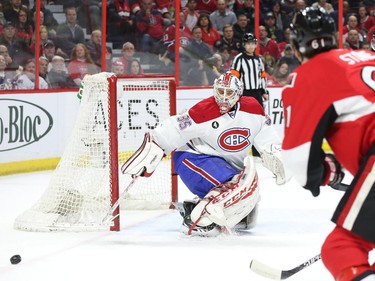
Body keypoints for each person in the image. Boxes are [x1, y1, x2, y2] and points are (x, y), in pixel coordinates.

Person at [122, 71, 288, 237]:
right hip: (193, 158)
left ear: (238, 94)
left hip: (225, 166)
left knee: (245, 216)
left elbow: (265, 133)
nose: (223, 98)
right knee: (234, 186)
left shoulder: (253, 108)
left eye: (229, 93)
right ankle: (195, 220)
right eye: (220, 91)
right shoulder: (203, 110)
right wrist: (155, 146)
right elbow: (174, 127)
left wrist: (276, 153)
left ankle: (196, 205)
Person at [281, 7, 375, 281]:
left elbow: (297, 159)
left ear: (296, 45)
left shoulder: (309, 73)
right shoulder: (367, 57)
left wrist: (325, 172)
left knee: (341, 249)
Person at [230, 33, 268, 107]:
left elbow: (262, 77)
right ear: (244, 44)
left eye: (253, 43)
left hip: (257, 93)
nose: (251, 46)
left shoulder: (259, 60)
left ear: (256, 45)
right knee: (245, 115)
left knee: (259, 115)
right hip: (244, 93)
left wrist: (264, 92)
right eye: (248, 43)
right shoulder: (239, 59)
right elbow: (234, 77)